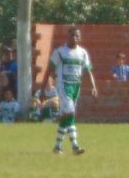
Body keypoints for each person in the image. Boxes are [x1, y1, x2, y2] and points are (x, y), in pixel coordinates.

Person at [39, 26, 98, 154]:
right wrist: (42, 89)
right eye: (72, 35)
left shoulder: (82, 53)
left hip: (76, 86)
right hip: (63, 84)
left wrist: (93, 86)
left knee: (67, 116)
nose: (74, 38)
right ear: (67, 37)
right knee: (70, 112)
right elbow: (49, 70)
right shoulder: (60, 52)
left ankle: (57, 146)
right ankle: (75, 146)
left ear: (80, 37)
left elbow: (88, 71)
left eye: (77, 36)